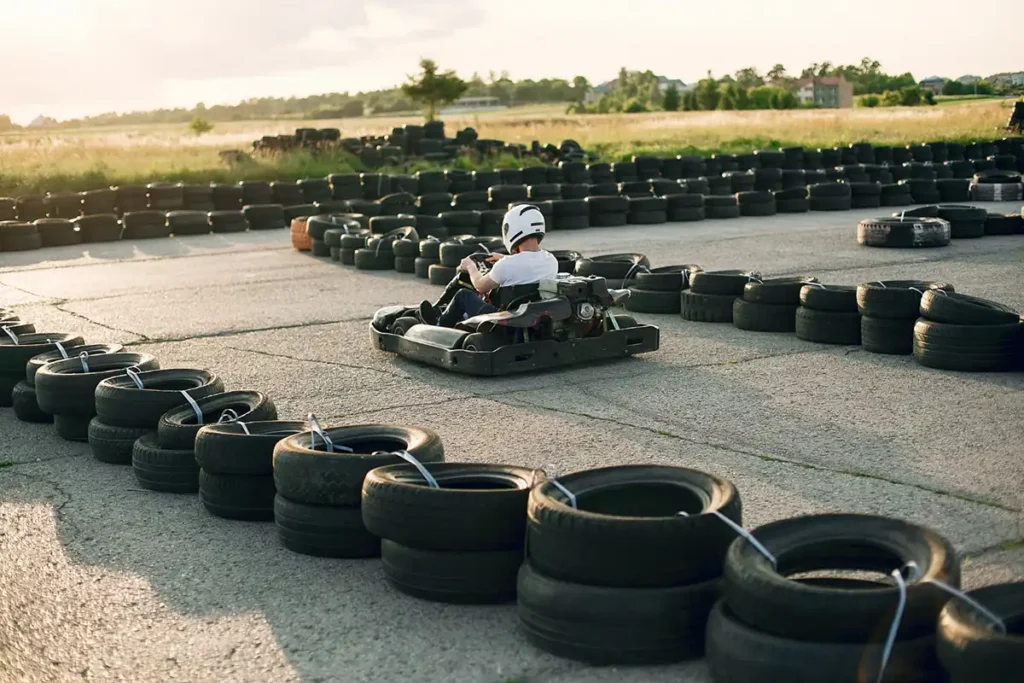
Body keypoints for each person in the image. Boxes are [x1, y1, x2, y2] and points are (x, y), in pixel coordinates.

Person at [418, 204, 559, 327]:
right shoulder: (551, 260)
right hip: (531, 316)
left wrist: (470, 266)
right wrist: (504, 258)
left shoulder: (506, 265)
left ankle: (439, 323)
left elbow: (480, 285)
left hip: (502, 319)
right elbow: (527, 264)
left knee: (463, 295)